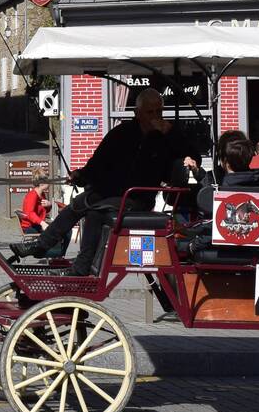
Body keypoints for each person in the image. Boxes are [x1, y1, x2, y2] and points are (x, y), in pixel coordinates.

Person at [10, 90, 198, 276]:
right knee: (82, 203)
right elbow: (98, 163)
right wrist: (80, 176)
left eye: (159, 112)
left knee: (93, 208)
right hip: (114, 193)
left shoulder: (168, 137)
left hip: (140, 198)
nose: (156, 117)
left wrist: (173, 136)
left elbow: (192, 154)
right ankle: (50, 249)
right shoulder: (121, 134)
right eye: (150, 112)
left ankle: (70, 261)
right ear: (138, 113)